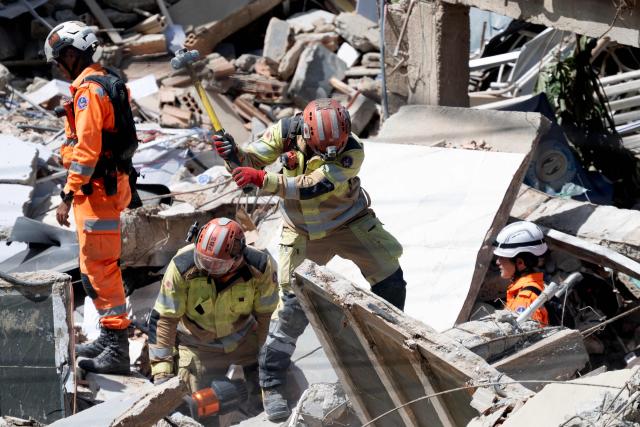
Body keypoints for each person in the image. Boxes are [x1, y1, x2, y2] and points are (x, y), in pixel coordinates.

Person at [212, 98, 406, 420]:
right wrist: (233, 155)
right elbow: (251, 161)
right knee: (292, 306)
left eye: (337, 144)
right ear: (308, 131)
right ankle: (271, 381)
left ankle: (390, 348)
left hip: (347, 221)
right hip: (301, 231)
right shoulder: (285, 132)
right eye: (324, 145)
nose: (331, 150)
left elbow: (313, 186)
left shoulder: (352, 151)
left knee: (390, 275)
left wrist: (262, 180)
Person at [44, 21, 140, 374]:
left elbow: (86, 150)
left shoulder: (88, 91)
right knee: (97, 266)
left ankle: (117, 348)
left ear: (70, 54)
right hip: (110, 185)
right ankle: (108, 334)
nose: (57, 65)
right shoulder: (108, 80)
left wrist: (67, 194)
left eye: (59, 58)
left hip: (96, 191)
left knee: (98, 269)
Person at [148, 217, 278, 400]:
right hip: (197, 346)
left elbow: (268, 318)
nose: (207, 269)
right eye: (203, 261)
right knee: (189, 404)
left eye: (217, 265)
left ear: (237, 256)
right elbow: (164, 319)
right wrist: (162, 374)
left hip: (243, 342)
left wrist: (269, 366)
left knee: (268, 392)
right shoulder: (182, 266)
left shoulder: (260, 267)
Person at [493, 221, 549, 325]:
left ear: (520, 263)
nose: (497, 262)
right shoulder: (535, 284)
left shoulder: (525, 300)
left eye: (501, 257)